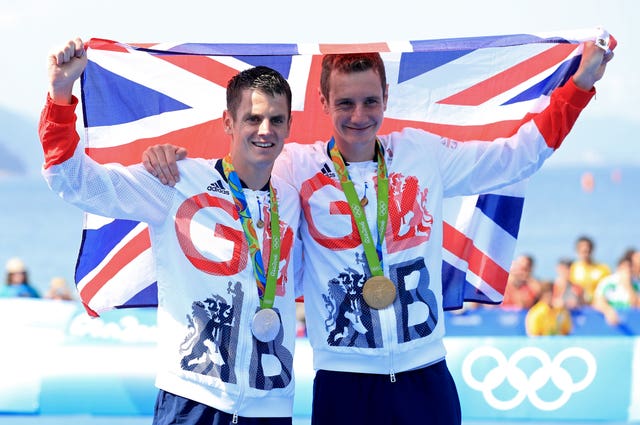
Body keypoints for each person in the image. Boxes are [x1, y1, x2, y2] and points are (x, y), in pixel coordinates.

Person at [144, 41, 613, 425]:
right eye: (345, 103)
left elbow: (516, 156)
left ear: (386, 100)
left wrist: (581, 84)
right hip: (343, 383)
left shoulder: (422, 155)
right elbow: (239, 166)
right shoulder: (294, 167)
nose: (358, 115)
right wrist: (169, 157)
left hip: (424, 374)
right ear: (324, 103)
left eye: (370, 101)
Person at [39, 38, 301, 425]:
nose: (265, 130)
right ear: (228, 122)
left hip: (271, 404)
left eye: (276, 119)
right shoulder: (175, 181)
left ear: (289, 125)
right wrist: (60, 95)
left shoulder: (293, 198)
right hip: (193, 398)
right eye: (253, 118)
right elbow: (75, 182)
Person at [592, 256, 640, 326]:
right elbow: (597, 301)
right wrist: (608, 311)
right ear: (618, 268)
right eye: (624, 267)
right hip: (610, 325)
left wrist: (628, 287)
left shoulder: (636, 284)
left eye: (630, 267)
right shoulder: (608, 282)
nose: (627, 270)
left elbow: (637, 305)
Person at [569, 235, 611, 303]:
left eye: (587, 251)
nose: (585, 254)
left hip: (599, 303)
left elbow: (609, 288)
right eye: (582, 251)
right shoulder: (573, 268)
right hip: (580, 303)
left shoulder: (603, 269)